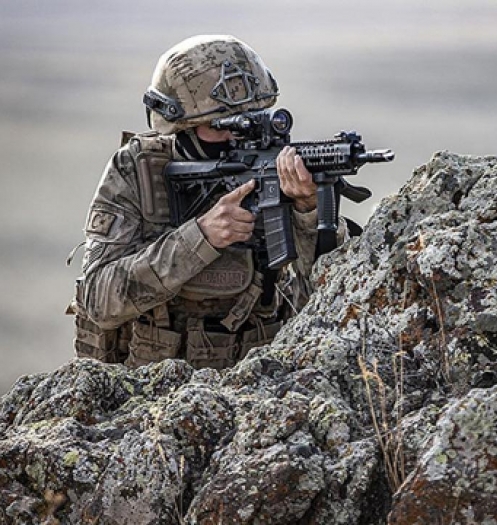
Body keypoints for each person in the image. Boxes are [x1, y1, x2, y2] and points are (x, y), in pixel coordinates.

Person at [69, 35, 345, 369]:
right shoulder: (139, 170)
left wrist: (307, 211)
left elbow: (326, 297)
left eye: (251, 119)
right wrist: (201, 236)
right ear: (179, 127)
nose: (236, 137)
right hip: (148, 383)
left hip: (256, 375)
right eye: (220, 126)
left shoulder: (273, 166)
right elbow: (99, 298)